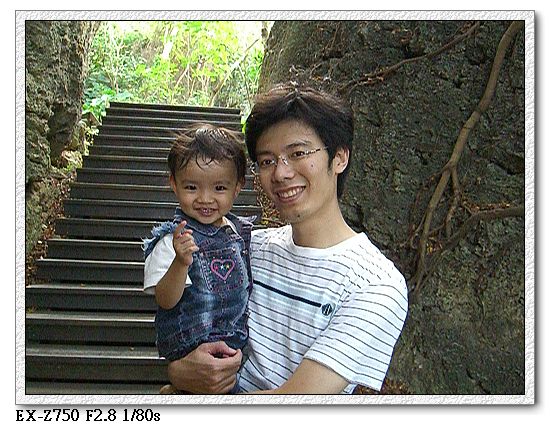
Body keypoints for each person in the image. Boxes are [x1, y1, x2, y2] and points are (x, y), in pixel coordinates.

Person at [151, 82, 409, 395]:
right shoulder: (247, 248)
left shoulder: (376, 285)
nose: (280, 173)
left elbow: (292, 402)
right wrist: (180, 372)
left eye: (298, 153)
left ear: (340, 157)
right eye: (267, 161)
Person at [143, 124, 255, 393]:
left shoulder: (239, 234)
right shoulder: (172, 241)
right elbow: (165, 299)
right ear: (174, 183)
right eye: (192, 187)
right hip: (190, 349)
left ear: (237, 187)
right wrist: (180, 263)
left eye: (219, 187)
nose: (205, 199)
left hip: (233, 348)